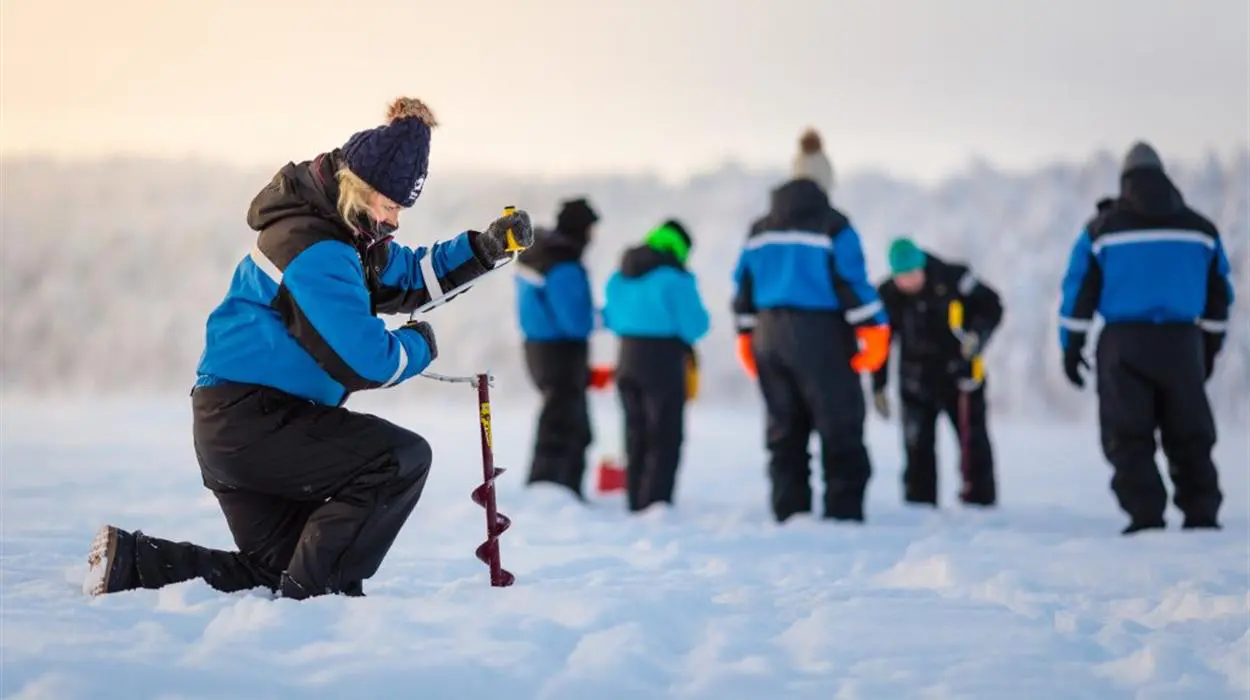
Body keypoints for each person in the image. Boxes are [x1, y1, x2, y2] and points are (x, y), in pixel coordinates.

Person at [82, 97, 535, 600]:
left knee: (278, 569)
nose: (397, 220)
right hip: (253, 421)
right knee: (399, 460)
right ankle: (314, 609)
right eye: (391, 206)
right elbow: (366, 361)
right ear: (359, 191)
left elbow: (408, 277)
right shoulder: (315, 250)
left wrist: (484, 250)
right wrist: (419, 346)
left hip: (236, 425)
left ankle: (131, 564)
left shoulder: (345, 236)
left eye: (402, 209)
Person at [1059, 141, 1234, 535]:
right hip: (1182, 341)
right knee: (1190, 431)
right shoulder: (1201, 229)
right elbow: (1220, 292)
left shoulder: (1101, 230)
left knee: (1127, 434)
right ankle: (1201, 514)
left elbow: (1078, 290)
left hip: (1123, 343)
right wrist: (1209, 344)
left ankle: (1145, 518)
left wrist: (1071, 346)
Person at [731, 128, 891, 524]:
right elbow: (851, 281)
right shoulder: (833, 225)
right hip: (820, 335)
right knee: (839, 425)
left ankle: (790, 514)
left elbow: (743, 286)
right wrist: (875, 328)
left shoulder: (759, 229)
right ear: (825, 183)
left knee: (784, 430)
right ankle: (843, 515)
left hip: (768, 335)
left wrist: (745, 335)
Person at [872, 237, 1004, 508]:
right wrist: (878, 385)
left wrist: (977, 337)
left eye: (911, 274)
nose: (906, 282)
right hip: (915, 380)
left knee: (972, 442)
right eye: (900, 277)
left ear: (922, 266)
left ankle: (980, 503)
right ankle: (919, 506)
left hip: (962, 377)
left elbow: (992, 305)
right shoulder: (887, 295)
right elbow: (880, 343)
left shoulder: (955, 277)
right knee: (916, 445)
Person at [602, 220, 710, 512]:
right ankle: (657, 502)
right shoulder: (676, 279)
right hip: (664, 360)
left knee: (634, 431)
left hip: (626, 358)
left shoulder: (619, 276)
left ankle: (635, 499)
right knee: (664, 433)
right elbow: (696, 326)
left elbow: (609, 318)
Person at [514, 198, 601, 499]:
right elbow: (575, 320)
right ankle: (553, 490)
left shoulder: (537, 255)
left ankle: (553, 488)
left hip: (536, 347)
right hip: (561, 352)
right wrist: (603, 318)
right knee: (565, 425)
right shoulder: (563, 263)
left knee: (564, 420)